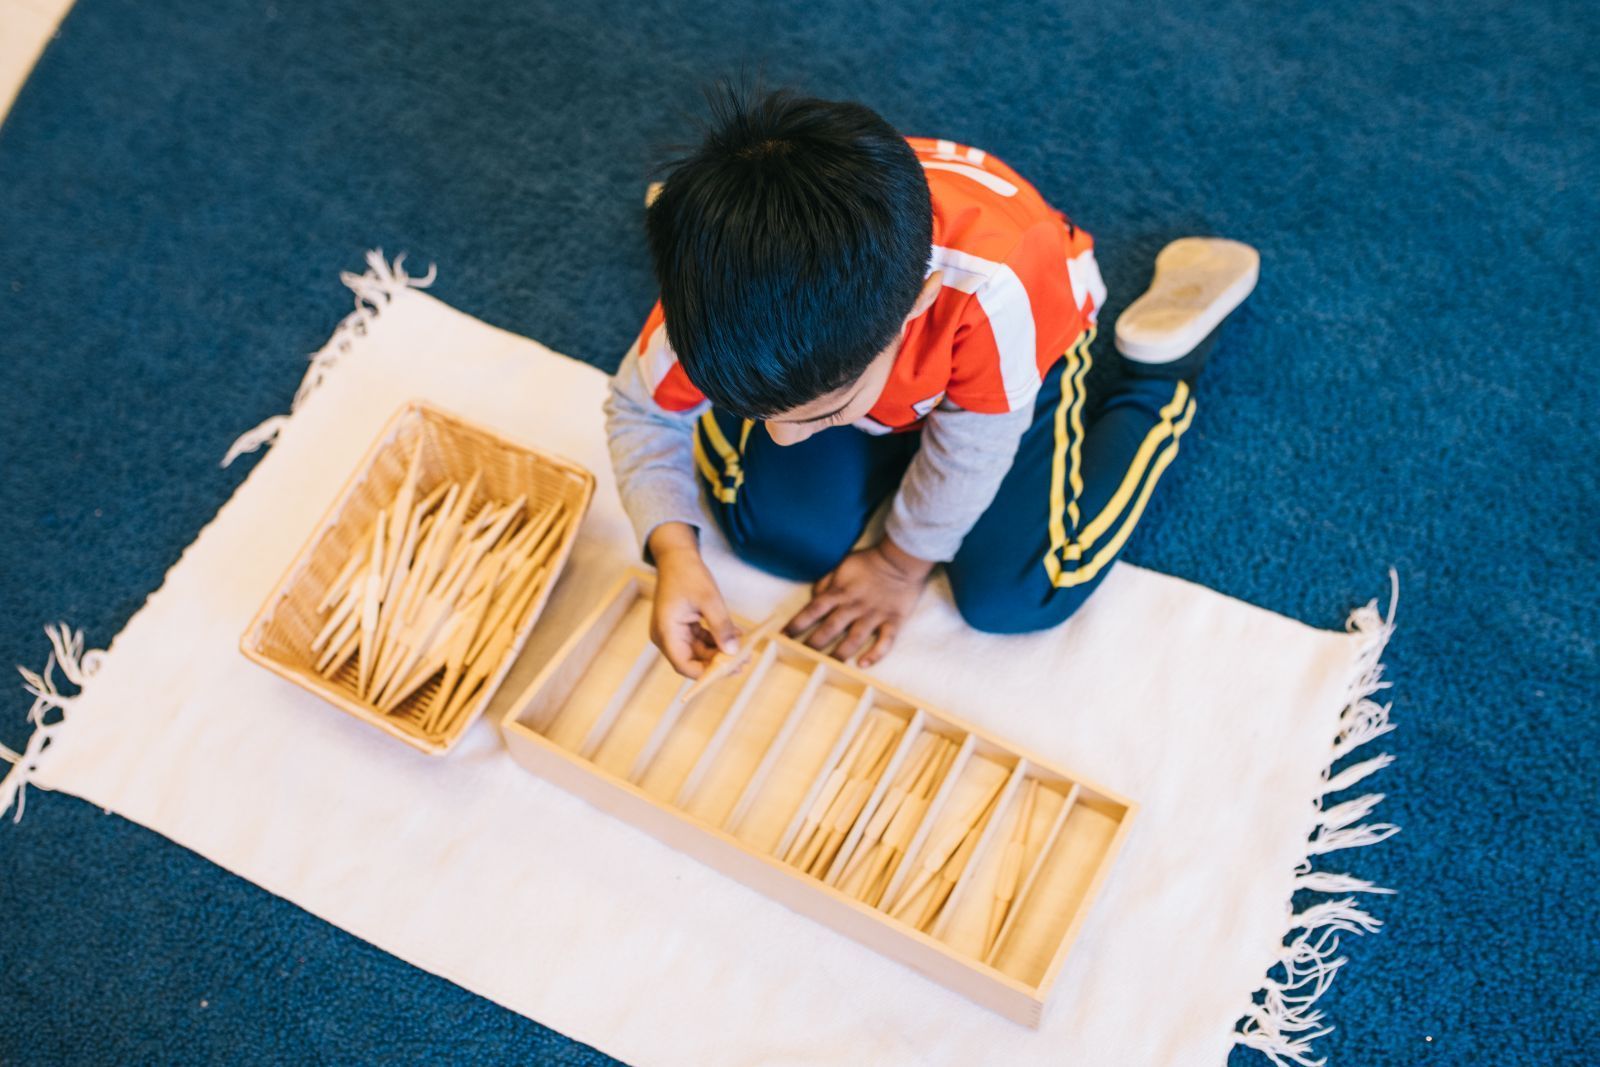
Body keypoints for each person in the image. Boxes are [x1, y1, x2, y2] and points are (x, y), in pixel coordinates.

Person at [604, 85, 1258, 677]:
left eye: (823, 413)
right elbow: (642, 410)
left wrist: (900, 563)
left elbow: (973, 449)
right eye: (758, 409)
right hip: (866, 346)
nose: (783, 436)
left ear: (917, 307)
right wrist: (673, 550)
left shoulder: (996, 290)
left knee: (1019, 591)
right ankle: (701, 225)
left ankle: (1160, 375)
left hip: (1030, 336)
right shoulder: (710, 301)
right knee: (771, 535)